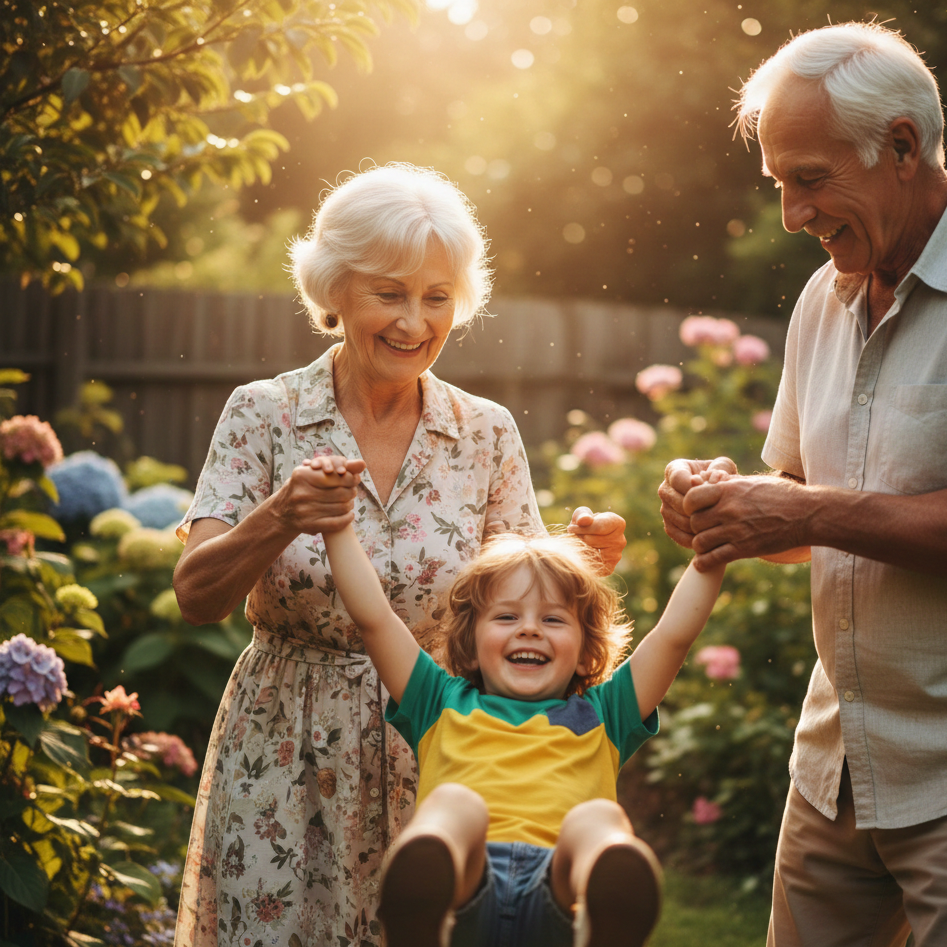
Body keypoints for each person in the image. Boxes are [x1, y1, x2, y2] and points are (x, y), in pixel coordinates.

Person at [171, 163, 627, 947]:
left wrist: (580, 555)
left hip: (442, 742)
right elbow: (196, 593)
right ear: (335, 289)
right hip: (285, 741)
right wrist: (280, 514)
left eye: (436, 296)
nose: (414, 321)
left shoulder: (485, 432)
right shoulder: (264, 414)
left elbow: (520, 600)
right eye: (389, 293)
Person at [658, 22, 947, 947]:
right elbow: (798, 501)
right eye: (779, 181)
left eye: (811, 179)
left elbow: (818, 507)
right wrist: (728, 508)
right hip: (834, 768)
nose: (790, 213)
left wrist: (803, 507)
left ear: (901, 146)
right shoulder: (821, 304)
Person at [308, 454, 727, 947]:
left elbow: (673, 636)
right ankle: (421, 902)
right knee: (454, 804)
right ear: (472, 636)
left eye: (553, 620)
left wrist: (712, 551)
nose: (529, 627)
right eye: (506, 617)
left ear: (583, 644)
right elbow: (375, 616)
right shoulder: (438, 700)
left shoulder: (605, 713)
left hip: (562, 895)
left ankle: (609, 907)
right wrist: (337, 525)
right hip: (463, 892)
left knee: (597, 821)